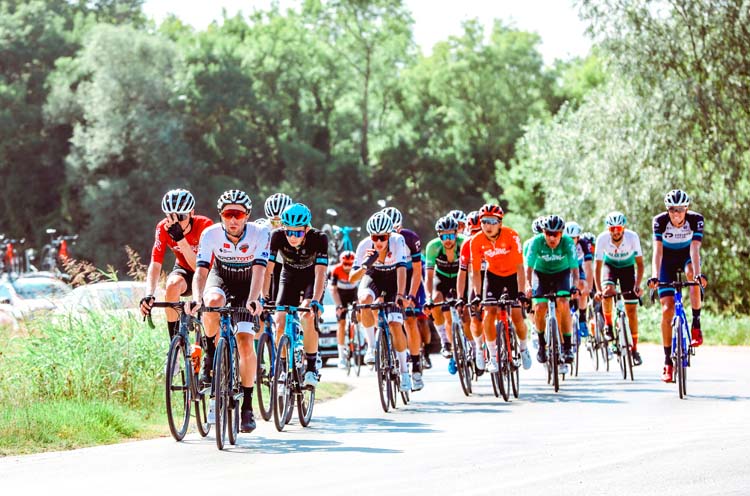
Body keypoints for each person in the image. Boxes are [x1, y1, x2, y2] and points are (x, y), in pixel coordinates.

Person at [187, 189, 269, 433]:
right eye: (227, 214)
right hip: (221, 278)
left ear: (247, 215)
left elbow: (259, 270)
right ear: (221, 215)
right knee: (211, 301)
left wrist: (253, 299)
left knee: (245, 342)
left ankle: (247, 405)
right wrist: (196, 298)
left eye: (238, 214)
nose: (233, 219)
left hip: (248, 285)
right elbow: (201, 271)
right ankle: (211, 354)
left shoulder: (260, 233)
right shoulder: (210, 234)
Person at [263, 203, 328, 388]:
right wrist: (263, 296)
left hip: (311, 278)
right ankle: (284, 369)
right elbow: (268, 270)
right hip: (289, 276)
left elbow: (320, 273)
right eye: (289, 232)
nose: (292, 237)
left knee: (308, 315)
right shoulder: (277, 236)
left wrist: (316, 300)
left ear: (306, 229)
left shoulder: (319, 238)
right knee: (279, 320)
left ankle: (311, 368)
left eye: (297, 233)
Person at [647, 189, 707, 382]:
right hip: (666, 261)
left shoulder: (696, 220)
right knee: (667, 309)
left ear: (686, 209)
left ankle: (696, 323)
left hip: (687, 257)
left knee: (691, 275)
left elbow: (695, 249)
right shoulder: (659, 221)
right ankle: (667, 361)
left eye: (680, 209)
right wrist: (655, 276)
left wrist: (697, 274)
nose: (676, 214)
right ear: (667, 210)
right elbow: (657, 251)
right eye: (672, 209)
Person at [349, 212, 411, 391]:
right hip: (373, 277)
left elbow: (401, 270)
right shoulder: (364, 245)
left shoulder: (398, 241)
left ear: (389, 235)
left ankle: (404, 372)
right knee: (364, 300)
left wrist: (401, 294)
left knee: (395, 324)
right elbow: (352, 278)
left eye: (382, 237)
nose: (378, 242)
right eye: (374, 237)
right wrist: (365, 264)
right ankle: (371, 347)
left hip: (393, 281)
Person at [140, 189, 213, 340]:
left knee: (210, 311)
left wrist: (180, 239)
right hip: (184, 269)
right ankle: (175, 343)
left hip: (206, 271)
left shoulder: (205, 225)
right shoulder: (163, 227)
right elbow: (155, 263)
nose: (176, 222)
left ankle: (212, 347)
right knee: (172, 285)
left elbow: (199, 268)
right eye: (171, 216)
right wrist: (149, 294)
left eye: (181, 216)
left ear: (192, 213)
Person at [469, 203, 531, 372]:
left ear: (500, 223)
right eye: (484, 221)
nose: (487, 226)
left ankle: (523, 348)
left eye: (492, 221)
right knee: (489, 311)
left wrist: (521, 292)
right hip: (493, 276)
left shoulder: (511, 236)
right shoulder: (476, 241)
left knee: (517, 316)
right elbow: (476, 272)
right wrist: (477, 294)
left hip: (512, 276)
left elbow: (520, 268)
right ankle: (493, 356)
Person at [524, 215, 580, 372]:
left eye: (556, 234)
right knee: (540, 307)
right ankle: (542, 344)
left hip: (561, 274)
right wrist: (528, 286)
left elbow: (575, 271)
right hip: (541, 274)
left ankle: (567, 346)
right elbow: (528, 269)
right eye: (548, 233)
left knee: (563, 302)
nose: (552, 238)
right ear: (543, 232)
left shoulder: (568, 242)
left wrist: (575, 287)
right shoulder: (536, 242)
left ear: (561, 233)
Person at [381, 206, 425, 391]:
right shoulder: (379, 239)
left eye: (396, 229)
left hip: (409, 275)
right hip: (389, 276)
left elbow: (417, 271)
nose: (393, 233)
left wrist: (411, 296)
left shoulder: (410, 238)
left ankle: (416, 364)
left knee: (411, 320)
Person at [594, 211, 645, 366]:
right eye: (612, 229)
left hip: (627, 269)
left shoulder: (632, 237)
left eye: (618, 228)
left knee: (632, 311)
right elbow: (597, 267)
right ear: (608, 229)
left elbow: (640, 264)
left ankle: (634, 350)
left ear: (624, 228)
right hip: (610, 267)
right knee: (607, 291)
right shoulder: (602, 239)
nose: (616, 232)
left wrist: (637, 285)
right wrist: (599, 290)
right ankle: (608, 325)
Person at [424, 215, 464, 359]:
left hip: (460, 277)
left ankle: (473, 346)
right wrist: (428, 298)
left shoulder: (464, 243)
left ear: (456, 234)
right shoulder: (433, 247)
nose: (448, 240)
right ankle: (445, 341)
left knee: (467, 310)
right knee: (435, 301)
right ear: (439, 236)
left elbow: (472, 272)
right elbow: (429, 276)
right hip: (441, 277)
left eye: (451, 235)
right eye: (444, 236)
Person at [457, 210, 485, 371]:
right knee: (474, 318)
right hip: (475, 280)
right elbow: (462, 274)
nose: (476, 235)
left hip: (496, 277)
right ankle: (479, 349)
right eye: (472, 231)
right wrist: (460, 297)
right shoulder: (467, 244)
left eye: (478, 231)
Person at [564, 221, 595, 339]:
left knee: (582, 285)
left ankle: (582, 319)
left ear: (578, 237)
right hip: (564, 268)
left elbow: (588, 266)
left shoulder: (583, 244)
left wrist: (589, 287)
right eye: (568, 238)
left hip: (578, 267)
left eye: (573, 238)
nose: (571, 241)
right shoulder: (560, 243)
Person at [329, 250, 358, 368]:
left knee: (357, 317)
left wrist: (359, 303)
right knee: (341, 323)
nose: (347, 267)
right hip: (341, 295)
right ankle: (341, 356)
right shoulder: (336, 270)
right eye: (345, 264)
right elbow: (333, 290)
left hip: (353, 293)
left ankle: (355, 339)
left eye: (350, 264)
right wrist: (339, 305)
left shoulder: (357, 269)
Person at [263, 193, 293, 302]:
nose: (277, 225)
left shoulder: (298, 226)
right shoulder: (264, 228)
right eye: (273, 221)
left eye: (280, 221)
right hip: (273, 261)